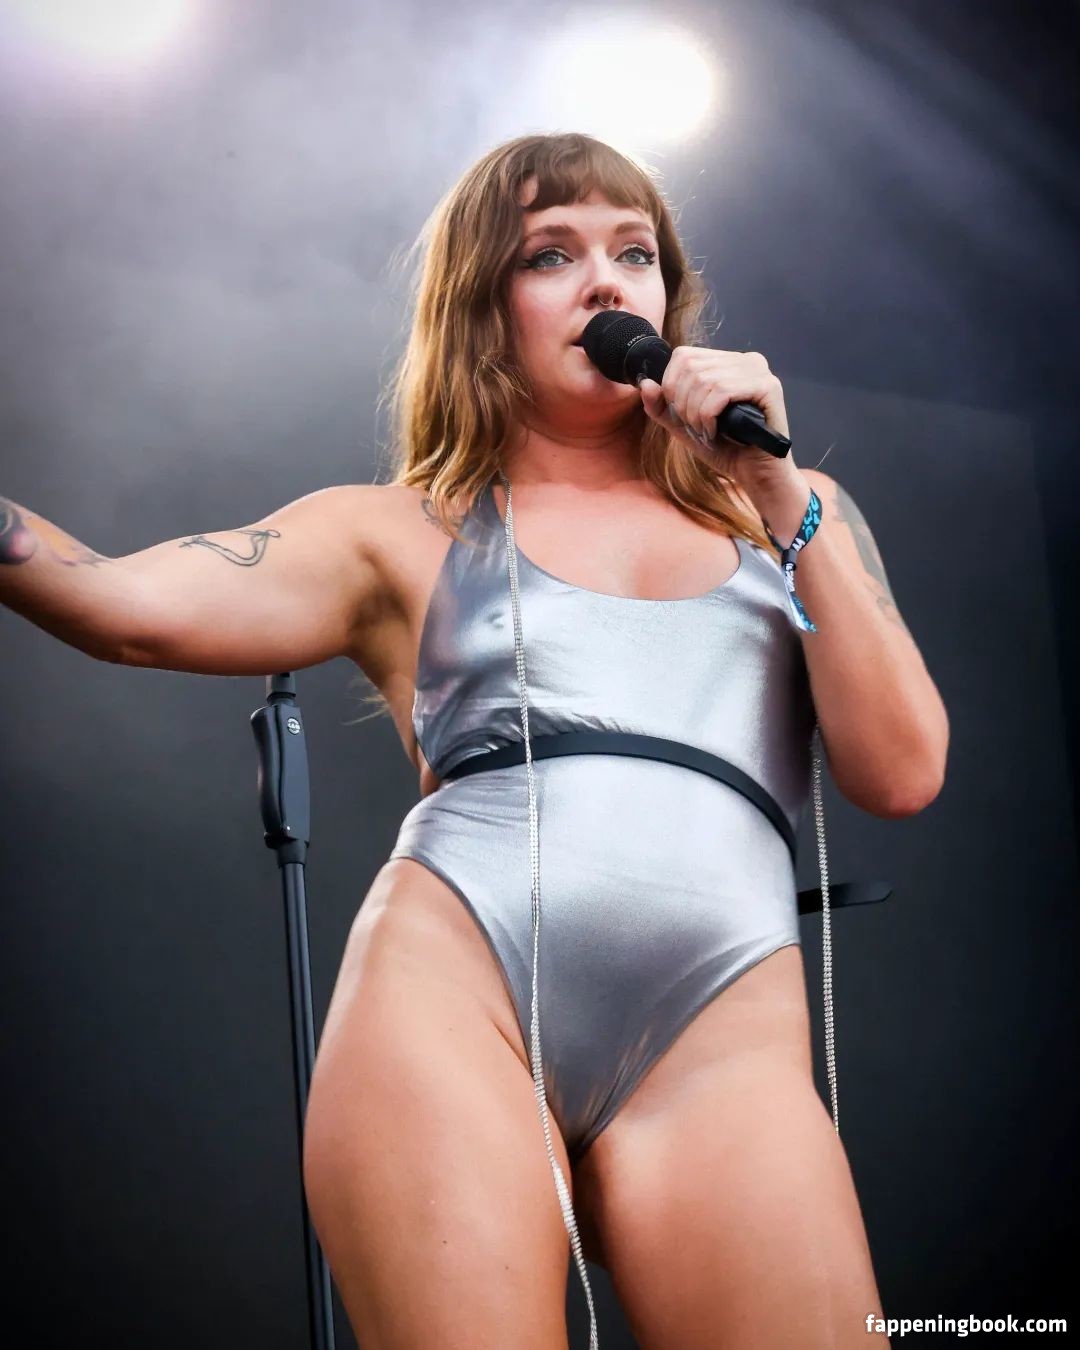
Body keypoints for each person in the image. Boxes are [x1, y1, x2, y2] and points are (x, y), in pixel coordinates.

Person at [0, 131, 948, 1348]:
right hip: (455, 999)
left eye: (635, 253)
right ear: (483, 312)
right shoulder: (401, 531)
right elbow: (118, 605)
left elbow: (902, 769)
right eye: (551, 255)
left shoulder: (796, 516)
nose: (606, 281)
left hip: (724, 1039)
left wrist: (776, 491)